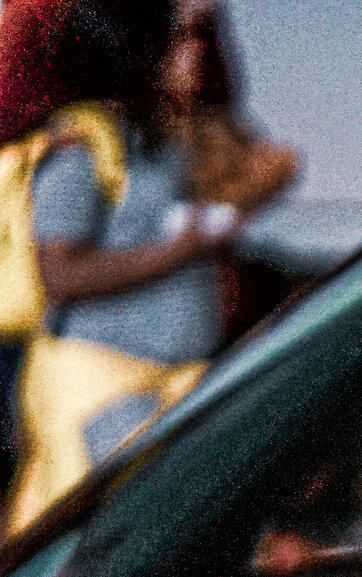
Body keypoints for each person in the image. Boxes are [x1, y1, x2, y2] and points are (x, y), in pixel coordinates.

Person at [0, 0, 292, 532]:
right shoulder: (82, 145)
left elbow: (269, 165)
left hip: (167, 398)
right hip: (104, 405)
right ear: (141, 50)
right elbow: (59, 274)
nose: (198, 55)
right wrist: (182, 249)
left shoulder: (165, 146)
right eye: (183, 40)